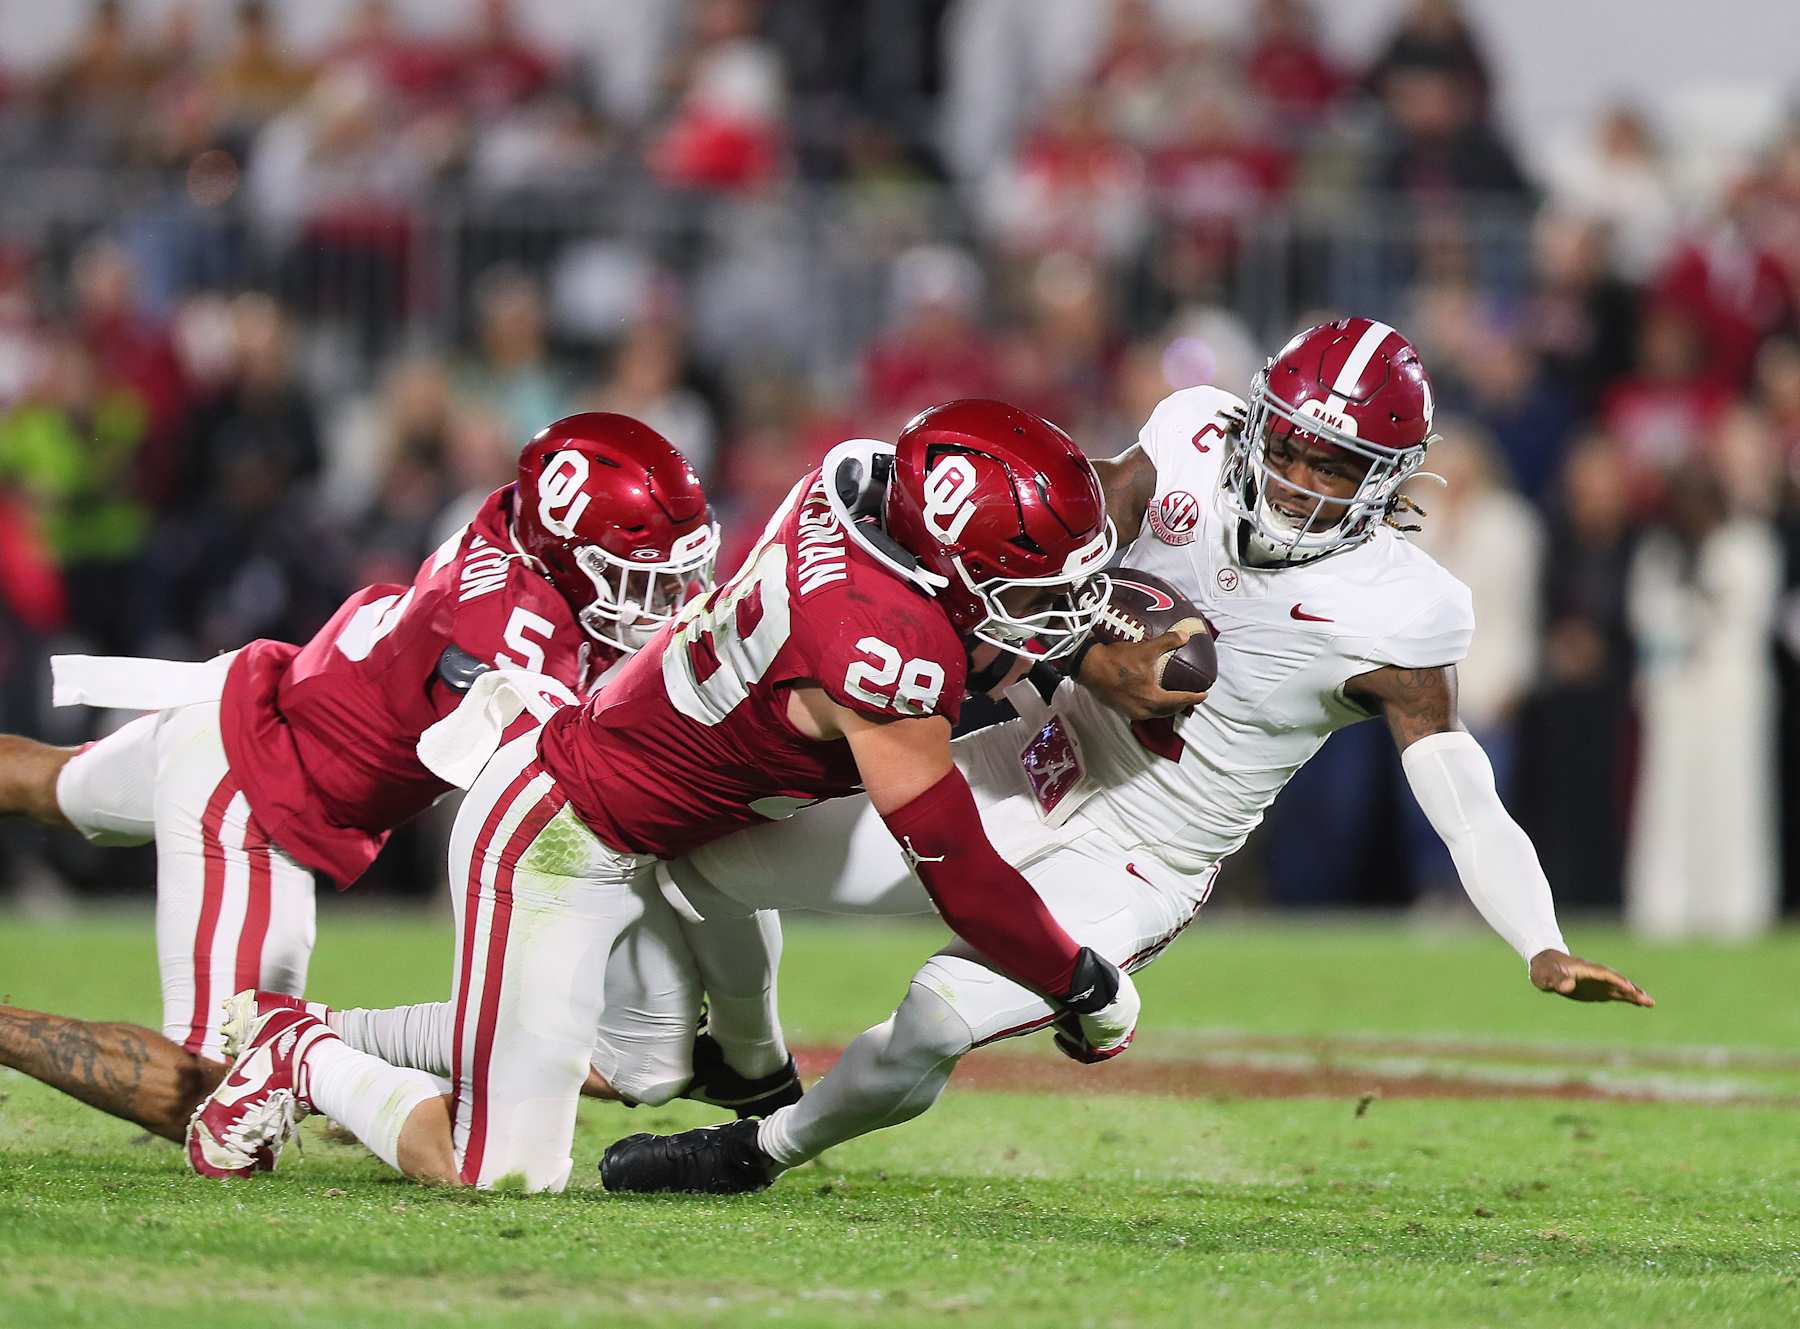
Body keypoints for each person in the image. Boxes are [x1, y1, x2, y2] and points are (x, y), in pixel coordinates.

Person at [595, 318, 1654, 1196]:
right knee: (702, 869)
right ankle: (746, 1055)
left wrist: (1540, 939)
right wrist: (1081, 645)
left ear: (1387, 479)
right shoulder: (1192, 438)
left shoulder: (1407, 609)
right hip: (1029, 762)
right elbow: (1077, 518)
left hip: (1145, 859)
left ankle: (759, 1149)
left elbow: (1461, 790)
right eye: (1287, 444)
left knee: (935, 1018)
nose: (1295, 476)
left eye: (1331, 464)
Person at [186, 399, 1141, 1194]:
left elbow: (964, 643)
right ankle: (297, 1050)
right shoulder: (881, 644)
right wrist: (1080, 983)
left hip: (650, 830)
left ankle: (321, 1028)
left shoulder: (855, 485)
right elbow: (958, 867)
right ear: (947, 563)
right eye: (1029, 585)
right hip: (557, 831)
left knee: (640, 1063)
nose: (1054, 606)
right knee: (498, 1170)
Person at [0, 414, 723, 1145]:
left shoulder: (518, 524)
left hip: (250, 704)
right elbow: (550, 816)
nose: (672, 597)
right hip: (255, 794)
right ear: (564, 555)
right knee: (218, 1087)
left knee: (47, 782)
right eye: (642, 578)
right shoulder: (510, 637)